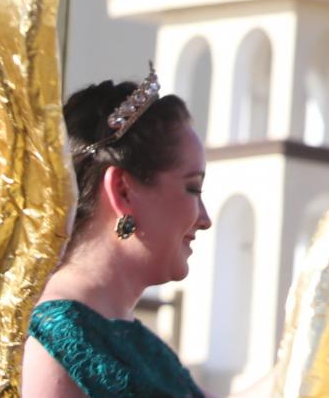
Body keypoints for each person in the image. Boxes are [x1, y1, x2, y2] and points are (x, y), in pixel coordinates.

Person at [23, 72, 234, 398]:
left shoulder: (143, 345)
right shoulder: (53, 345)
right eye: (193, 188)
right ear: (123, 192)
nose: (204, 220)